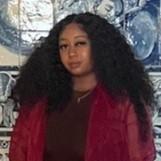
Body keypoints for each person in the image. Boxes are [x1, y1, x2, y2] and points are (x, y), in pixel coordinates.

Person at [9, 12, 156, 161]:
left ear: (99, 47)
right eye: (64, 46)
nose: (71, 53)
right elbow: (18, 154)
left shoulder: (125, 104)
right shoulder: (39, 102)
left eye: (80, 43)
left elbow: (141, 157)